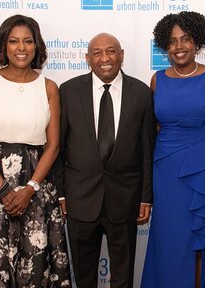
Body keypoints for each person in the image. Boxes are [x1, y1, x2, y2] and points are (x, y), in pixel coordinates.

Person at [0, 15, 71, 287]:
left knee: (34, 263)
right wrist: (4, 190)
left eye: (28, 41)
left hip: (36, 185)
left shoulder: (49, 88)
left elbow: (53, 145)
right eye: (13, 41)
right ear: (3, 46)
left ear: (37, 46)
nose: (21, 48)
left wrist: (30, 188)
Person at [54, 33, 155, 288]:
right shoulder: (68, 91)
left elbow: (147, 150)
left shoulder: (141, 93)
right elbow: (58, 148)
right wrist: (62, 194)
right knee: (84, 274)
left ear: (121, 54)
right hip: (80, 200)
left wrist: (145, 196)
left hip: (125, 199)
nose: (105, 58)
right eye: (97, 53)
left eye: (111, 51)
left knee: (123, 276)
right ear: (87, 58)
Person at [140, 11, 205, 288]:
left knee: (199, 237)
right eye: (172, 41)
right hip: (166, 171)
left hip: (202, 168)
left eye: (186, 39)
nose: (179, 46)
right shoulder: (157, 80)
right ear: (165, 46)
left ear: (198, 42)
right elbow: (154, 130)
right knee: (168, 238)